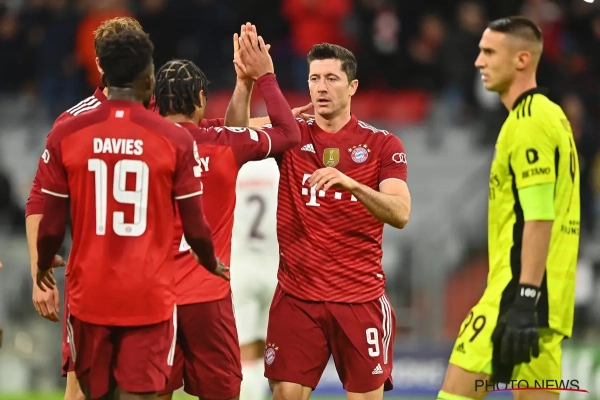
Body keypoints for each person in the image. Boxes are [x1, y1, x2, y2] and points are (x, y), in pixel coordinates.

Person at [35, 29, 224, 400]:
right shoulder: (174, 139)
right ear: (149, 77)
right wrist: (208, 259)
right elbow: (196, 226)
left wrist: (43, 263)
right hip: (148, 295)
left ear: (103, 73)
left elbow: (52, 224)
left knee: (93, 394)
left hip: (89, 294)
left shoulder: (67, 133)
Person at [154, 26, 301, 400]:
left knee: (150, 392)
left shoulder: (143, 146)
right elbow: (288, 133)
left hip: (154, 295)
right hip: (209, 292)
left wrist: (242, 85)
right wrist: (263, 77)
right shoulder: (221, 144)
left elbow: (233, 129)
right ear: (201, 98)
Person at [438, 16, 580, 400]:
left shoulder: (529, 122)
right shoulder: (551, 116)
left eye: (489, 52)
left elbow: (539, 216)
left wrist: (524, 300)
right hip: (548, 304)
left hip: (515, 298)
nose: (478, 62)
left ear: (521, 59)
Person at [262, 43, 411, 400]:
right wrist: (249, 83)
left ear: (353, 86)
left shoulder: (382, 144)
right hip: (298, 296)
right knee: (285, 395)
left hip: (359, 298)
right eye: (314, 79)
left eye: (331, 78)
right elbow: (233, 131)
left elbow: (401, 213)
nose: (321, 87)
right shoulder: (292, 135)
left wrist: (353, 185)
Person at [25, 16, 145, 400]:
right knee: (83, 388)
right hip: (96, 280)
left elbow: (214, 133)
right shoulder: (74, 123)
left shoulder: (159, 113)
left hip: (147, 279)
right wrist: (40, 272)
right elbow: (40, 199)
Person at [230, 157, 279, 400]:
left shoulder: (237, 165)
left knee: (244, 349)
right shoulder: (279, 168)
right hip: (276, 267)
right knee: (271, 349)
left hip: (240, 267)